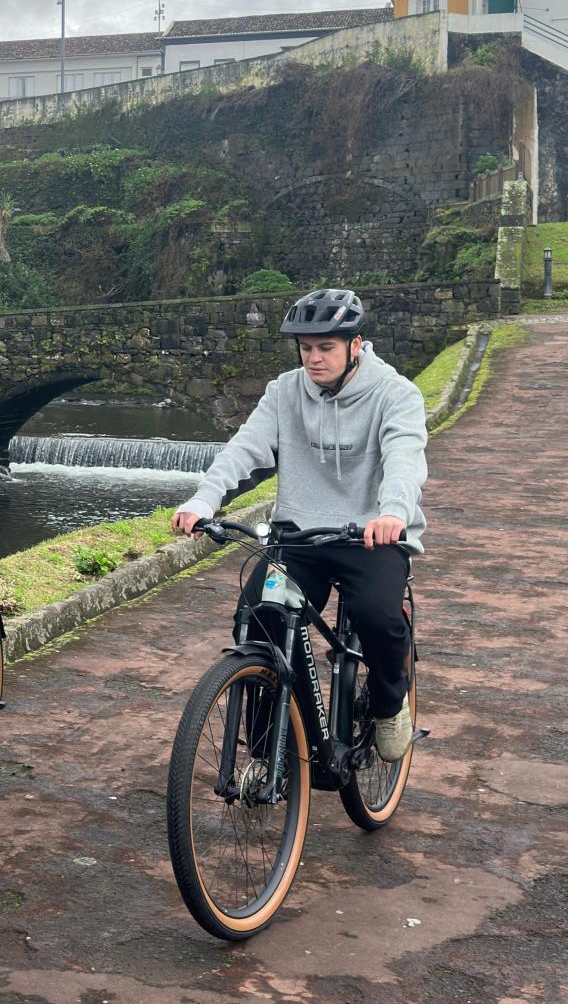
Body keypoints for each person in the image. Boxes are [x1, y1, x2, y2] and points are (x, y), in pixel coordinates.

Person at [173, 287, 427, 762]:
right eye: (306, 348)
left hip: (370, 536)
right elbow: (246, 447)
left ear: (355, 345)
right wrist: (204, 499)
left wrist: (392, 512)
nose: (313, 358)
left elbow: (404, 458)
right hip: (298, 536)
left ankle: (391, 705)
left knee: (377, 616)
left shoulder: (396, 393)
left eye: (325, 347)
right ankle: (270, 752)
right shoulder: (285, 391)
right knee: (256, 619)